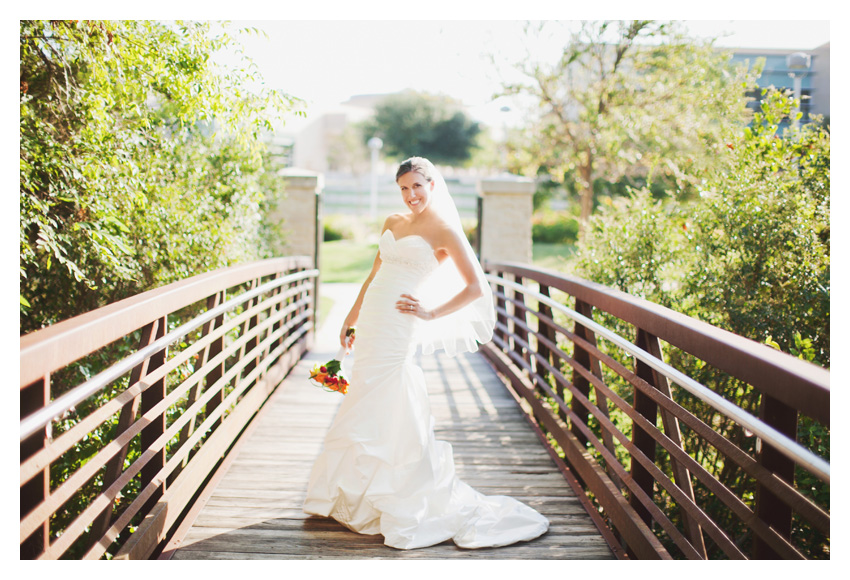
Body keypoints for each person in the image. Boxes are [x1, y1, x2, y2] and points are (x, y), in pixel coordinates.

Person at [303, 157, 549, 550]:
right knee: (362, 396)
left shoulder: (445, 229)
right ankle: (352, 496)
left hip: (401, 326)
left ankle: (400, 493)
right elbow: (373, 274)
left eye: (417, 186)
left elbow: (475, 288)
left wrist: (430, 312)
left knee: (389, 394)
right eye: (403, 188)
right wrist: (351, 318)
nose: (410, 195)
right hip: (372, 319)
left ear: (432, 184)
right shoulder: (393, 222)